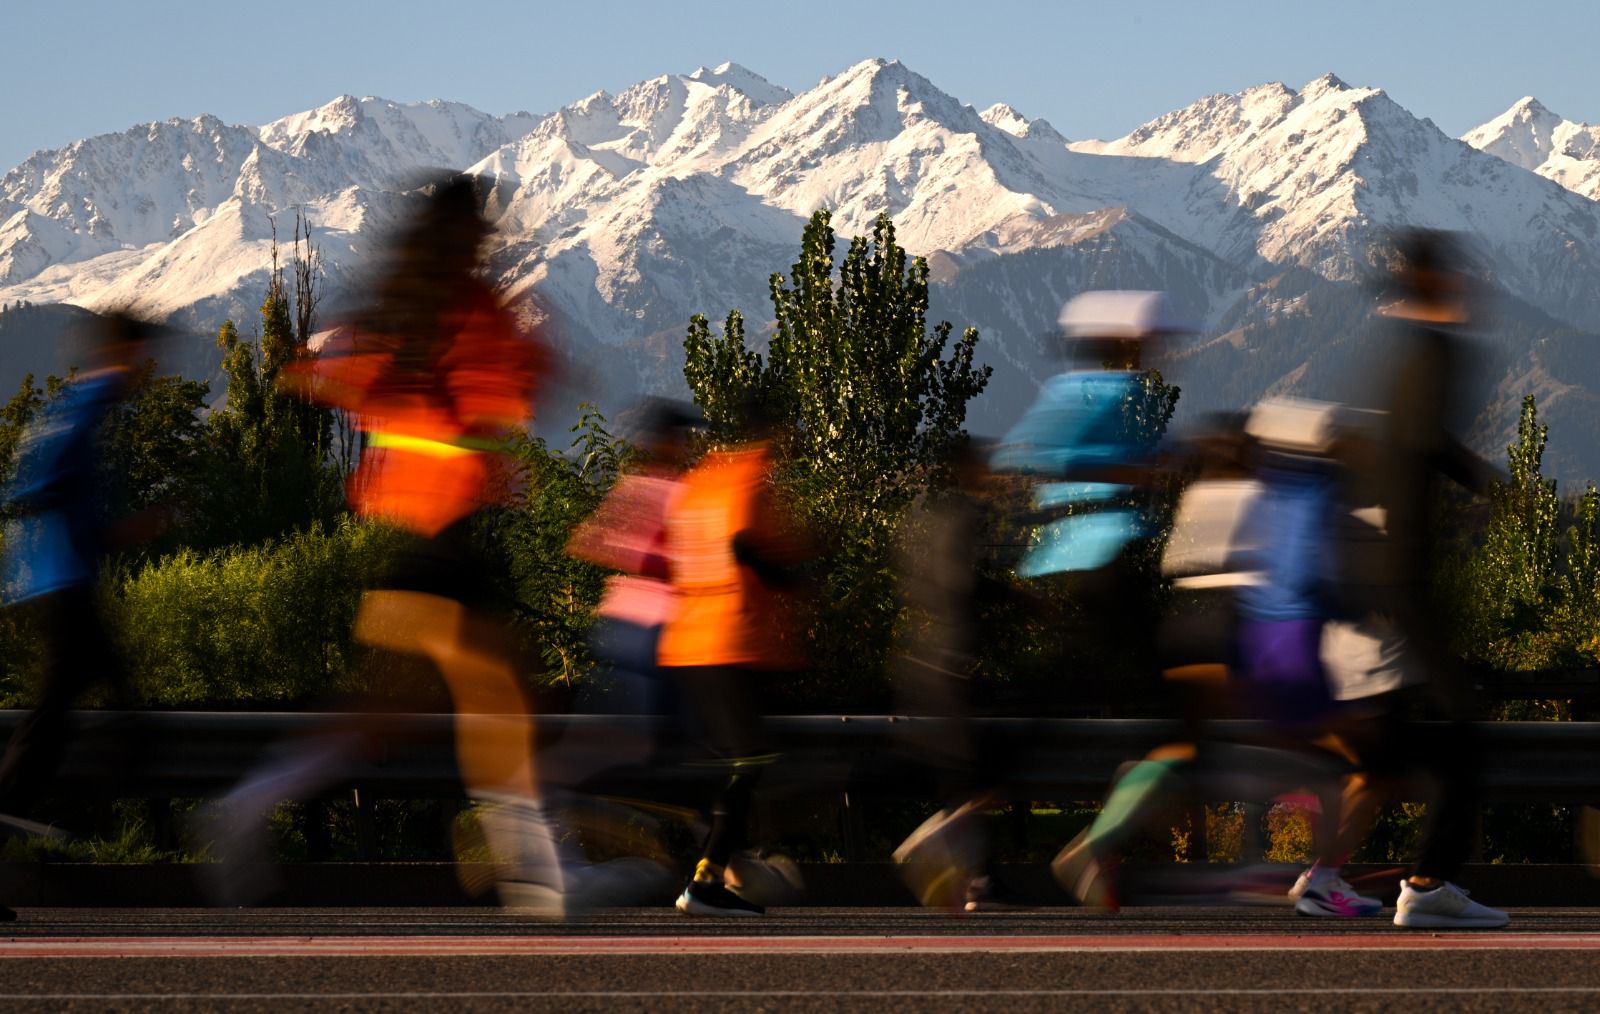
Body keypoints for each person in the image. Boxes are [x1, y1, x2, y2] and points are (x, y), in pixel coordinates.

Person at [0, 314, 156, 923]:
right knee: (63, 727)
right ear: (121, 350)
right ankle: (102, 822)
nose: (142, 368)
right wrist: (119, 531)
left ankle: (97, 817)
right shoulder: (86, 404)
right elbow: (40, 486)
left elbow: (37, 484)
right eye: (138, 354)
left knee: (60, 724)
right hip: (65, 585)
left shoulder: (76, 405)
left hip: (60, 582)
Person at [658, 402, 809, 917]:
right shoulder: (747, 481)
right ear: (768, 434)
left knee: (737, 763)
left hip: (687, 645)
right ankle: (705, 879)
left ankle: (714, 866)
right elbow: (745, 544)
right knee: (750, 763)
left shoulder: (700, 480)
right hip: (730, 641)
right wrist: (802, 580)